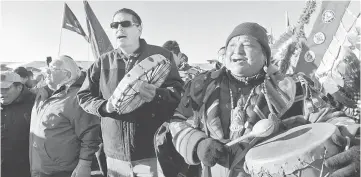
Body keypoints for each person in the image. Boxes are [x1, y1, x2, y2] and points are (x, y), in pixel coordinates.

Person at [156, 22, 360, 177]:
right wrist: (197, 143)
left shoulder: (293, 87)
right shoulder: (202, 85)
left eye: (247, 44)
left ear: (265, 56)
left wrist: (355, 143)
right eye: (232, 45)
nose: (237, 50)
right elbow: (178, 122)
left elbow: (329, 118)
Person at [77, 8, 183, 177]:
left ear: (139, 28)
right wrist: (105, 106)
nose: (119, 28)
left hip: (152, 152)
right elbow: (83, 96)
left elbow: (179, 94)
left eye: (125, 23)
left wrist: (158, 94)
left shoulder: (162, 56)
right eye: (114, 25)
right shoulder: (102, 62)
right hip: (114, 155)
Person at [29, 55, 101, 177]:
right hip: (38, 168)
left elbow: (90, 134)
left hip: (62, 172)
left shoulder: (77, 98)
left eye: (53, 69)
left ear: (67, 75)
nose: (47, 71)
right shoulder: (42, 94)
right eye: (48, 68)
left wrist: (85, 164)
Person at [1, 71, 35, 177]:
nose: (1, 92)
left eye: (6, 88)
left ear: (19, 87)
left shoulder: (36, 103)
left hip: (22, 168)